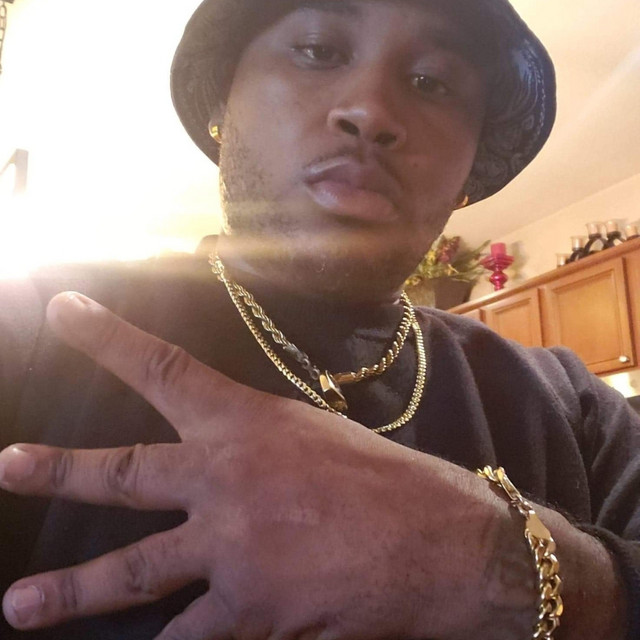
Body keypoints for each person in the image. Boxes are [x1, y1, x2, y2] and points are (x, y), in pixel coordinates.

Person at [0, 0, 638, 638]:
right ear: (223, 103)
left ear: (469, 167)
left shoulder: (574, 408)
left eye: (431, 81)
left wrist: (494, 561)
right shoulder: (37, 324)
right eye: (318, 51)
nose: (371, 112)